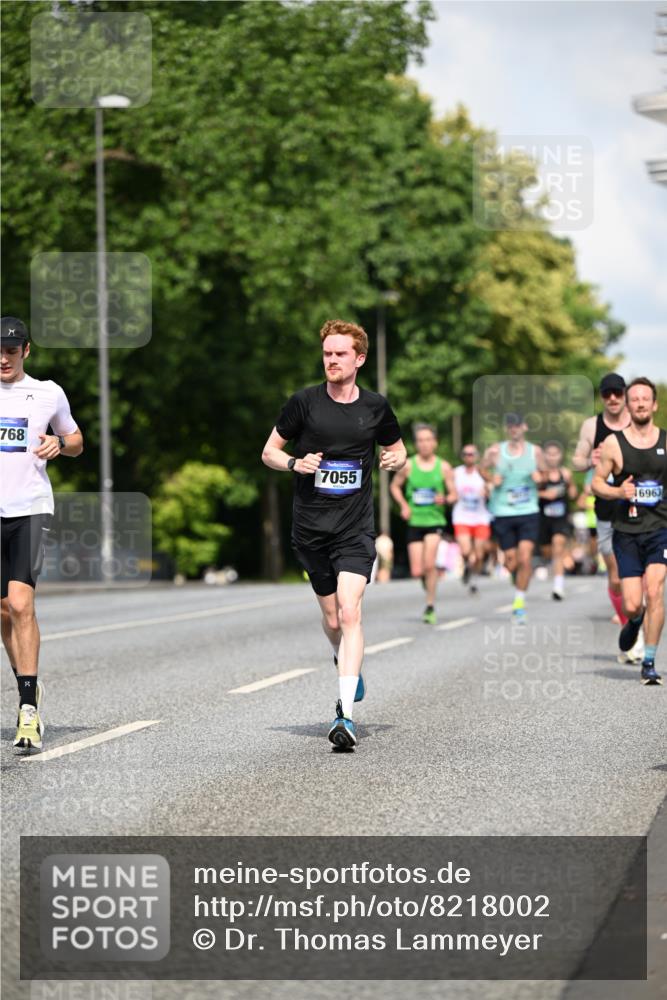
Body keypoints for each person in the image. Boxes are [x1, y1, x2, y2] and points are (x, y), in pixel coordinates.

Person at [261, 319, 406, 749]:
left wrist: (394, 460)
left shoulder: (376, 408)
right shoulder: (303, 404)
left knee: (350, 612)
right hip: (310, 529)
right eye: (327, 353)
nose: (332, 360)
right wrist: (294, 464)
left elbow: (396, 448)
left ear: (359, 359)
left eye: (340, 354)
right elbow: (269, 451)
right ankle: (345, 662)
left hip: (355, 528)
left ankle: (344, 716)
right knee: (331, 619)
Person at [1, 316, 83, 750]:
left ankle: (28, 710)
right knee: (2, 611)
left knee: (20, 603)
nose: (3, 358)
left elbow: (76, 440)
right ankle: (26, 685)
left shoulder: (48, 392)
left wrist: (58, 444)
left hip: (30, 509)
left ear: (25, 352)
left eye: (11, 351)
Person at [592, 377, 666, 685]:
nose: (639, 403)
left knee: (655, 591)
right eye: (633, 398)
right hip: (627, 530)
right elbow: (597, 483)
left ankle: (649, 661)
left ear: (654, 404)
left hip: (661, 528)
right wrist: (617, 493)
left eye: (644, 398)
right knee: (634, 602)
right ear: (628, 404)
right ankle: (634, 620)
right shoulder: (613, 443)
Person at [573, 373, 632, 627]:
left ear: (625, 393)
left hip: (636, 506)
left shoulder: (637, 421)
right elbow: (576, 461)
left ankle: (633, 615)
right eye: (607, 394)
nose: (612, 398)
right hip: (606, 506)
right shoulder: (591, 426)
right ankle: (625, 615)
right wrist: (591, 461)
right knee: (616, 574)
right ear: (601, 397)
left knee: (637, 571)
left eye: (617, 393)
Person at [389, 424, 455, 624]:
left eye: (428, 440)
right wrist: (403, 506)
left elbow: (454, 494)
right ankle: (430, 586)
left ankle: (430, 604)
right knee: (417, 570)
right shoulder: (408, 465)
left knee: (429, 564)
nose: (424, 444)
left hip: (435, 520)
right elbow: (394, 487)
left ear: (435, 443)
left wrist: (446, 499)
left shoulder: (443, 467)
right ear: (416, 444)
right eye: (420, 440)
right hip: (415, 521)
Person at [482, 413, 544, 622]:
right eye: (511, 426)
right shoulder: (495, 451)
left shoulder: (535, 451)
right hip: (503, 511)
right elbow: (481, 468)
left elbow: (545, 475)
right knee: (510, 562)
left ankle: (519, 603)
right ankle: (518, 580)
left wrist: (539, 478)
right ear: (507, 429)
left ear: (525, 427)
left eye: (518, 425)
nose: (514, 429)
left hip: (528, 511)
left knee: (525, 558)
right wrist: (491, 478)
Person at [537, 441, 578, 600]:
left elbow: (573, 494)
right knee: (548, 552)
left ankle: (558, 587)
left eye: (555, 454)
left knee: (558, 547)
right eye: (549, 454)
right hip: (543, 519)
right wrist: (545, 494)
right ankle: (550, 566)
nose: (552, 457)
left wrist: (570, 487)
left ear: (560, 456)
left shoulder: (565, 473)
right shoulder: (539, 474)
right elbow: (531, 494)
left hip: (560, 518)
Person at [451, 444, 491, 595]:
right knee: (467, 551)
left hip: (481, 517)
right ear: (462, 456)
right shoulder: (456, 473)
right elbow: (448, 488)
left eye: (472, 454)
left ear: (477, 456)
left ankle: (474, 578)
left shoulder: (482, 473)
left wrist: (487, 490)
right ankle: (468, 566)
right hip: (462, 516)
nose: (469, 456)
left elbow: (493, 490)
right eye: (466, 454)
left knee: (479, 554)